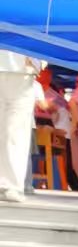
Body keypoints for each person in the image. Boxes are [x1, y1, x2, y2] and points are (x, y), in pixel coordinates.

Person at [0, 48, 40, 203]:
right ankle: (10, 185)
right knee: (14, 133)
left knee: (17, 134)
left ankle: (12, 185)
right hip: (17, 67)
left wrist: (39, 60)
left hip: (24, 70)